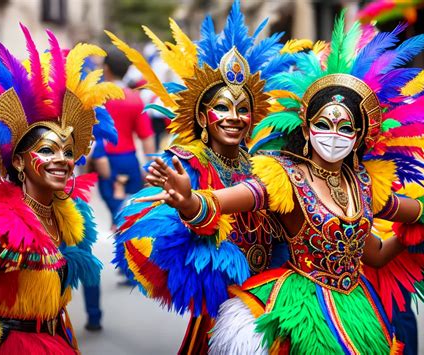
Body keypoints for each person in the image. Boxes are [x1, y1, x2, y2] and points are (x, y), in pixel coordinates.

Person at [142, 14, 424, 353]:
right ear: (306, 129)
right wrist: (189, 201)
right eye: (324, 124)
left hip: (358, 307)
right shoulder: (285, 175)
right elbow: (224, 200)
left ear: (360, 136)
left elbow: (381, 248)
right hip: (301, 307)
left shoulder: (364, 182)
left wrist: (421, 227)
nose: (334, 135)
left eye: (346, 129)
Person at [108, 1, 313, 353]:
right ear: (203, 117)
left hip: (271, 295)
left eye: (243, 108)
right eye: (222, 107)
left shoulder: (264, 163)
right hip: (219, 304)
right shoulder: (185, 163)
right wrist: (189, 205)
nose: (234, 117)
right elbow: (168, 230)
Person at [0, 25, 122, 353]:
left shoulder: (66, 214)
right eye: (46, 150)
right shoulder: (1, 221)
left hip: (57, 339)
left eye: (68, 152)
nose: (62, 160)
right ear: (17, 162)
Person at [95, 46, 156, 229]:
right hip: (128, 160)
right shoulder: (135, 98)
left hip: (104, 159)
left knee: (118, 214)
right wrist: (149, 165)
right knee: (130, 213)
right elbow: (146, 136)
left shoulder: (97, 96)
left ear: (106, 69)